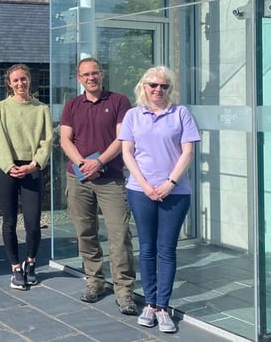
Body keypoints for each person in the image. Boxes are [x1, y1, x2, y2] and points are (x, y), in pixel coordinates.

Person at [119, 66, 200, 333]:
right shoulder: (133, 115)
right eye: (153, 85)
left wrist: (169, 183)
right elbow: (128, 153)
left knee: (166, 249)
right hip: (140, 191)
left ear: (170, 89)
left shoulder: (181, 113)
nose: (158, 90)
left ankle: (163, 307)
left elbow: (187, 152)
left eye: (164, 86)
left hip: (175, 193)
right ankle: (150, 304)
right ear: (144, 86)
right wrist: (145, 185)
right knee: (147, 247)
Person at [60, 57, 138, 315]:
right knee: (86, 232)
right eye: (86, 74)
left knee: (119, 234)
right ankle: (95, 281)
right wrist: (83, 163)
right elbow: (65, 139)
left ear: (101, 74)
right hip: (79, 177)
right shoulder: (72, 105)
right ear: (79, 79)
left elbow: (121, 138)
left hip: (110, 178)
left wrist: (100, 161)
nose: (91, 77)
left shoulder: (118, 101)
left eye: (95, 73)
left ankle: (124, 290)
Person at [0, 64, 53, 290]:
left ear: (29, 80)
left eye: (23, 79)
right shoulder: (1, 108)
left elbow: (47, 140)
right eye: (15, 80)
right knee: (9, 221)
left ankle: (31, 263)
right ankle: (15, 267)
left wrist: (34, 164)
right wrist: (9, 166)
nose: (20, 84)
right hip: (7, 169)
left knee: (33, 222)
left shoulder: (41, 109)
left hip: (32, 168)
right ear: (9, 83)